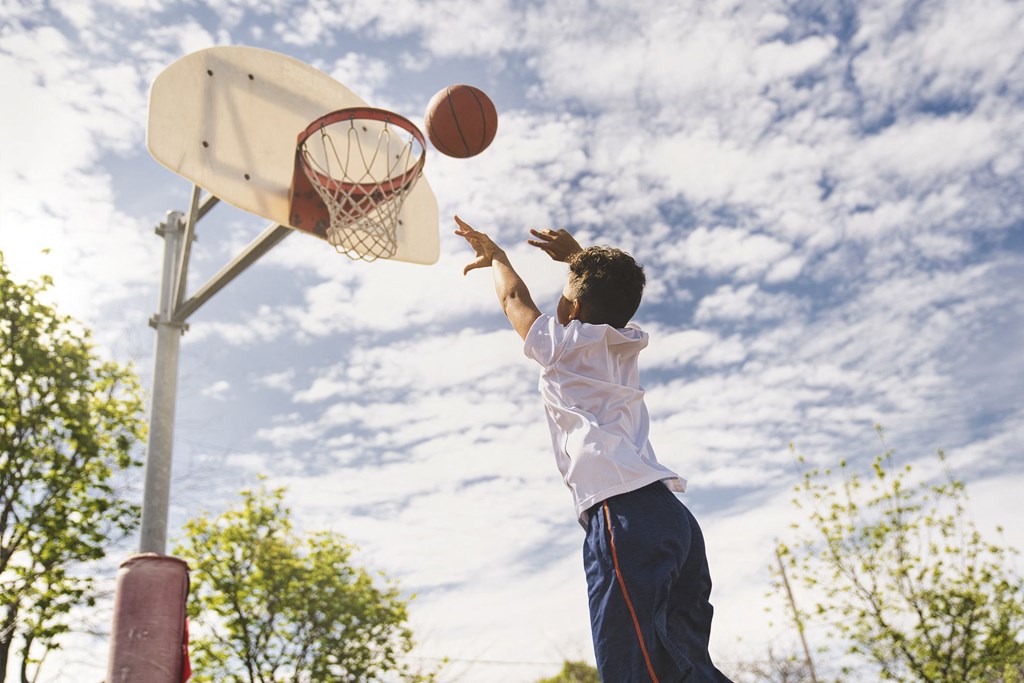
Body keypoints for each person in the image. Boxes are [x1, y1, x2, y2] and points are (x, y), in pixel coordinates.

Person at [454, 216, 732, 682]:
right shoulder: (629, 340)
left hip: (624, 514)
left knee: (632, 667)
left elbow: (512, 299)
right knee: (686, 667)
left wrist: (499, 258)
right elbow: (606, 293)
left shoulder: (561, 347)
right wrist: (576, 259)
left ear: (576, 303)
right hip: (674, 519)